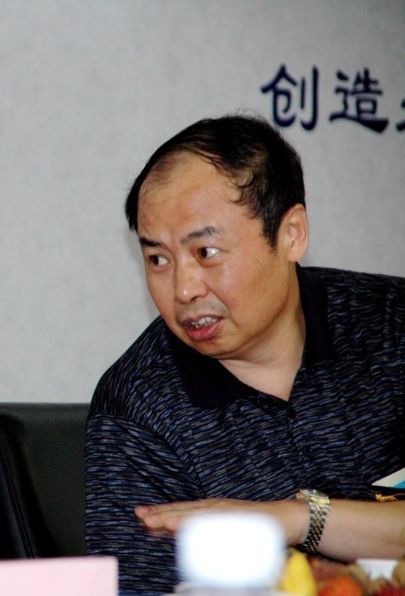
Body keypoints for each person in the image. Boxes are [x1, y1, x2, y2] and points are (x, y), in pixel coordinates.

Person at [84, 114, 405, 594]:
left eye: (206, 252)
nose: (184, 289)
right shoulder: (137, 406)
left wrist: (296, 519)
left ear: (291, 234)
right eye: (158, 259)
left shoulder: (391, 327)